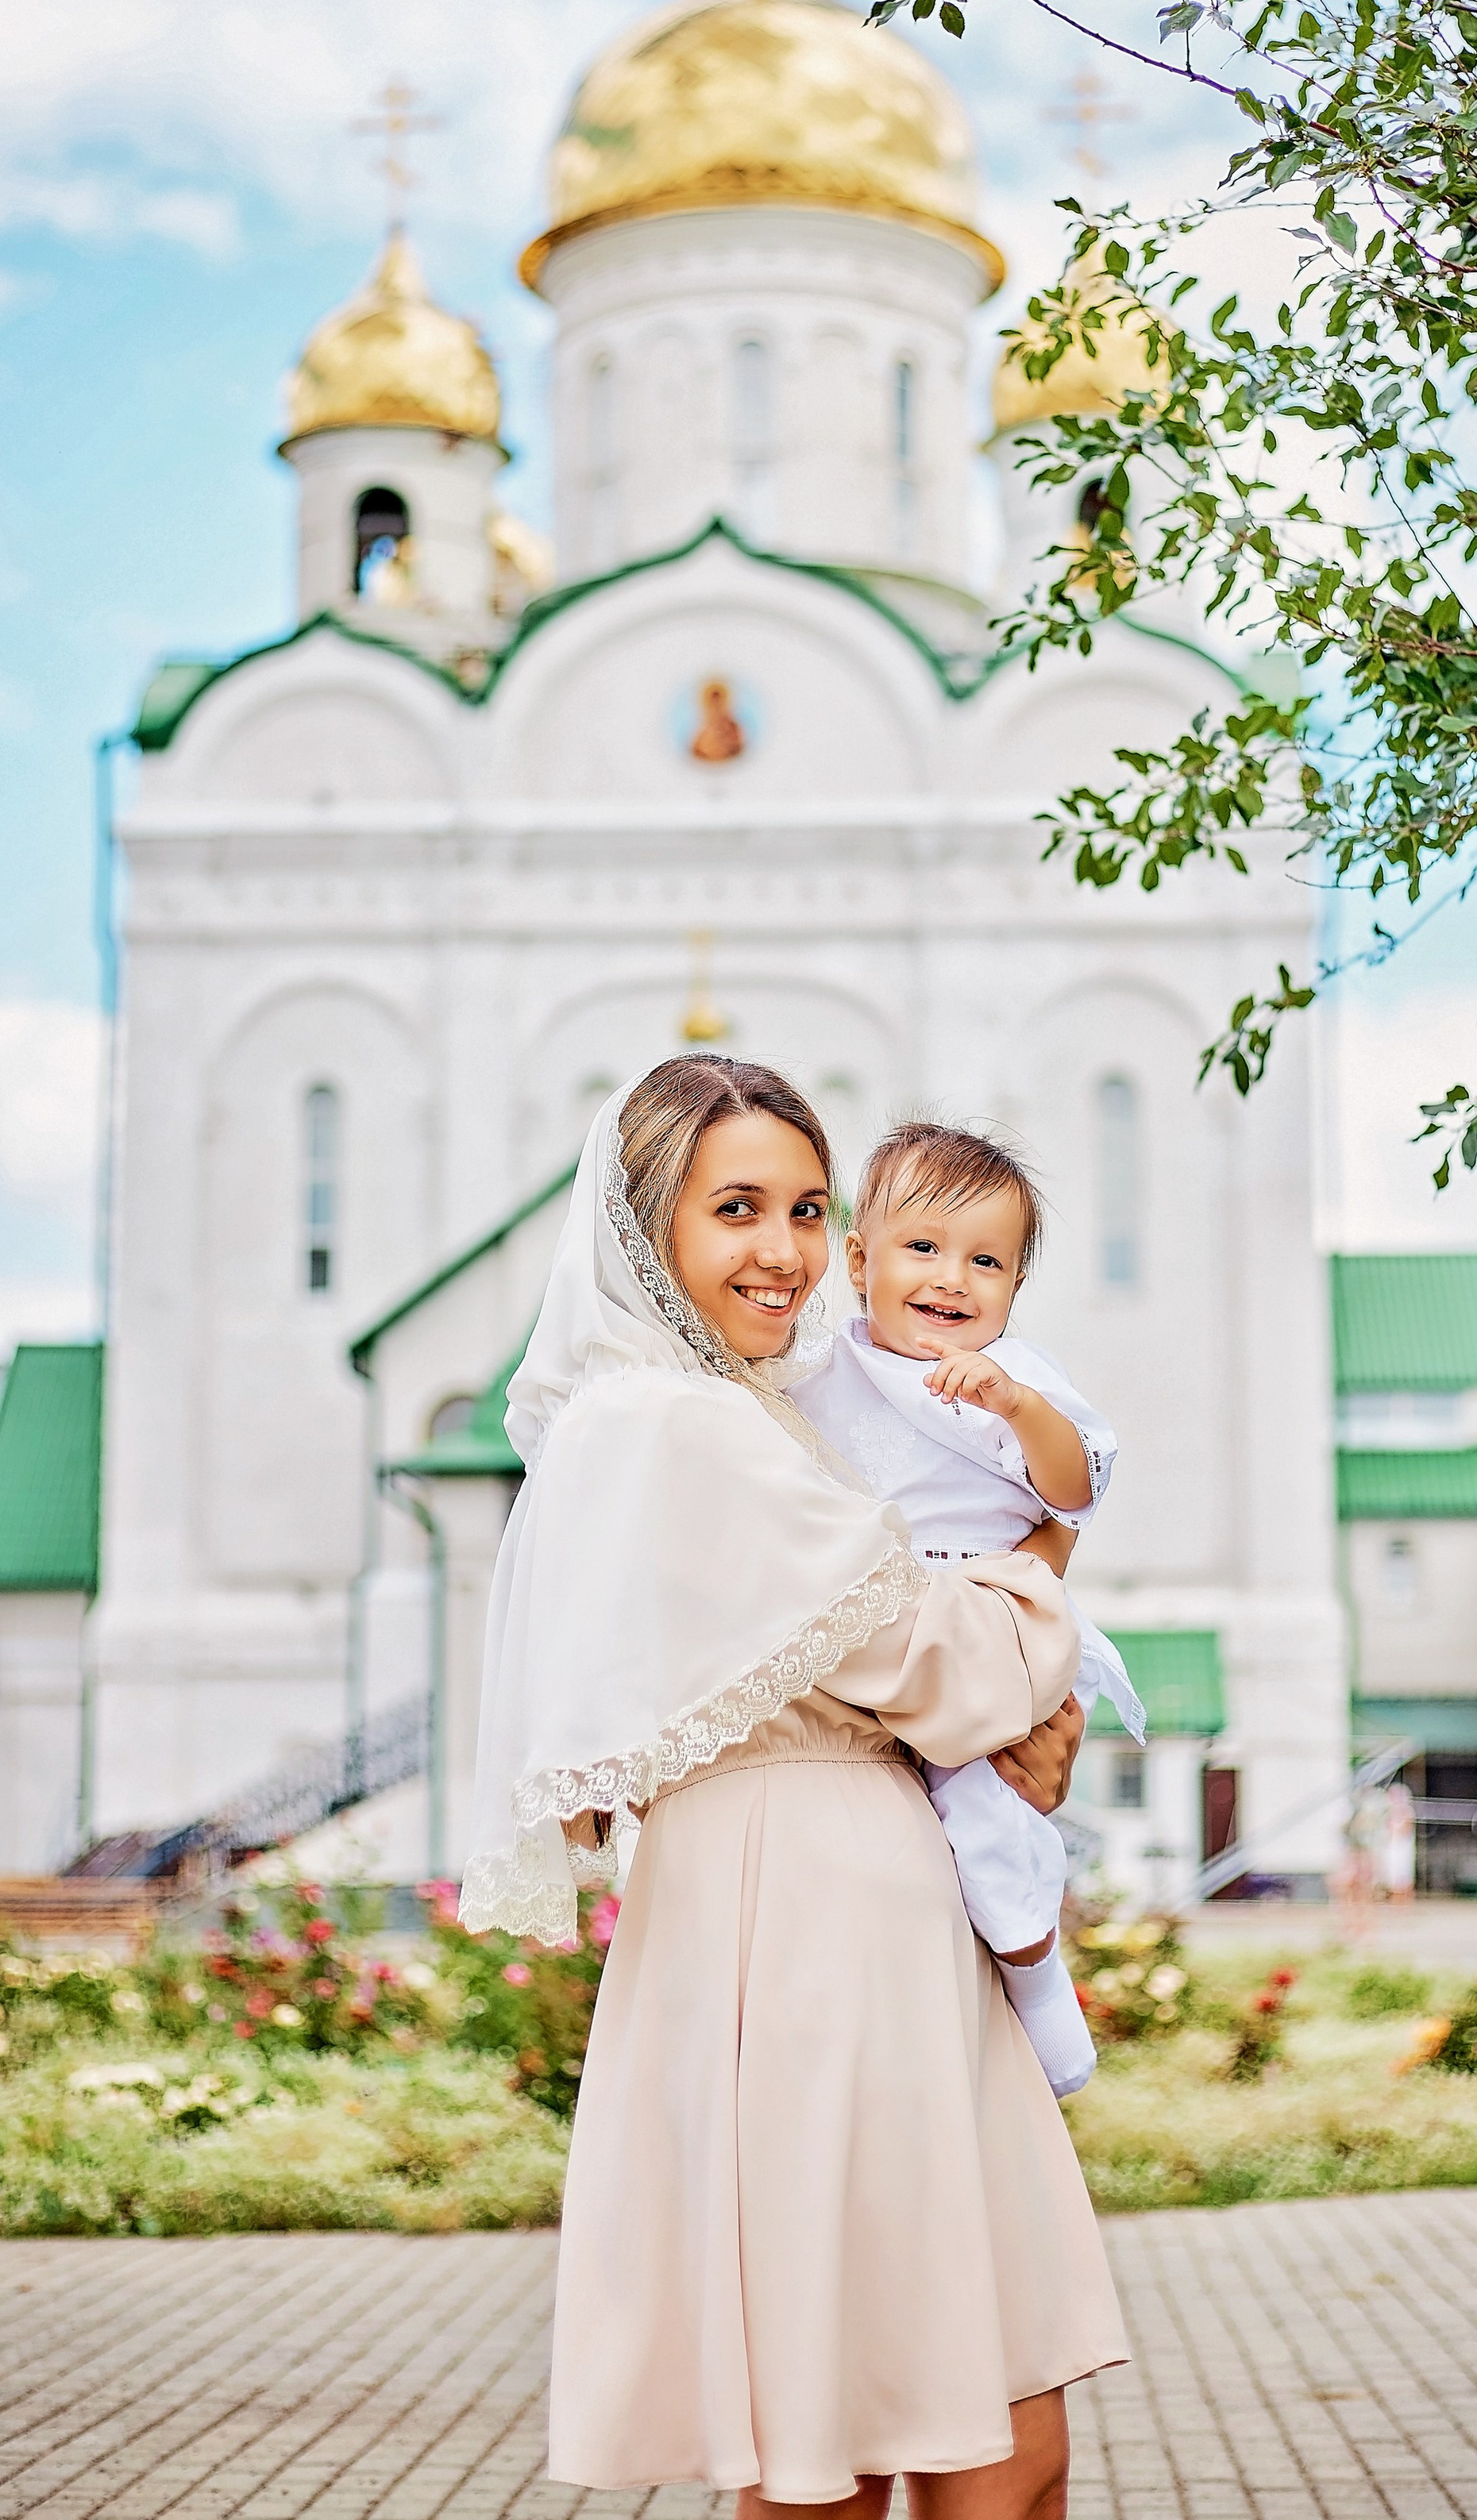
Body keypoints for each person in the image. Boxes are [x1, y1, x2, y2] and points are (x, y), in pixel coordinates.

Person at [462, 1055, 1127, 2516]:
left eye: (810, 1208)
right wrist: (1043, 1591)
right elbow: (949, 1660)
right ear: (647, 1225)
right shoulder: (681, 1426)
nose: (786, 1251)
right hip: (812, 1924)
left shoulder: (738, 1414)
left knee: (928, 2427)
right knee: (867, 2448)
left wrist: (1010, 1699)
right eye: (737, 1209)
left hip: (843, 1905)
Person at [789, 1120, 1143, 2101]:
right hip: (880, 1629)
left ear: (1014, 1288)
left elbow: (1074, 1492)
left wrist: (1016, 1407)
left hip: (989, 1617)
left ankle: (1036, 1974)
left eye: (985, 1261)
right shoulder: (819, 1372)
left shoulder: (1016, 1378)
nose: (952, 1280)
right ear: (859, 1262)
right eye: (923, 1248)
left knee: (985, 1807)